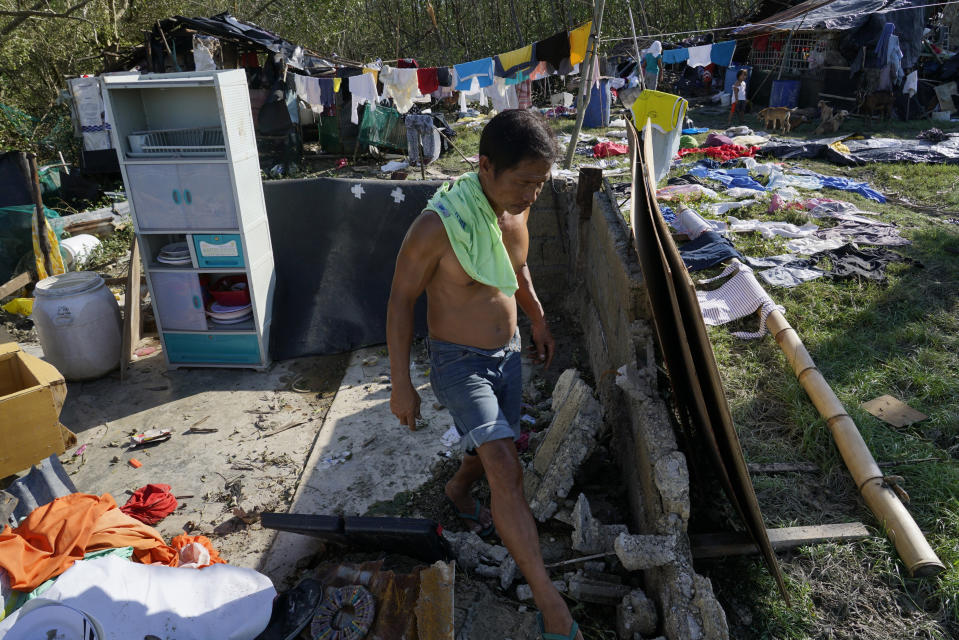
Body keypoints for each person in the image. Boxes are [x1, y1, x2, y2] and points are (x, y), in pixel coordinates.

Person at [387, 109, 582, 640]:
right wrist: (400, 382)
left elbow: (515, 269)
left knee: (496, 441)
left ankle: (456, 489)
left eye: (539, 184)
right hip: (459, 361)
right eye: (523, 182)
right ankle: (550, 603)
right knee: (504, 463)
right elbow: (401, 300)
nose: (531, 195)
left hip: (510, 352)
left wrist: (538, 318)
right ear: (486, 166)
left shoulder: (515, 213)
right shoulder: (439, 225)